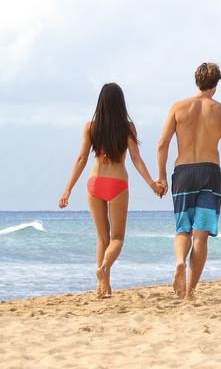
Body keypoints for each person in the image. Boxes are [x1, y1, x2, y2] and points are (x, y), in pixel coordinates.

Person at [59, 82, 165, 297]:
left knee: (102, 238)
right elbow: (136, 159)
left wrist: (67, 190)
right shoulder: (127, 127)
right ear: (120, 104)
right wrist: (152, 184)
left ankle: (102, 286)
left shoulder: (90, 127)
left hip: (94, 183)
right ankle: (105, 268)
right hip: (117, 184)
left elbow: (81, 159)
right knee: (117, 238)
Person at [156, 61, 221, 301]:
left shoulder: (178, 107)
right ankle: (190, 291)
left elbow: (162, 144)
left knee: (183, 229)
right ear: (216, 84)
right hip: (209, 173)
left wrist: (161, 176)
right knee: (200, 235)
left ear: (196, 81)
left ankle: (180, 262)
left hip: (183, 171)